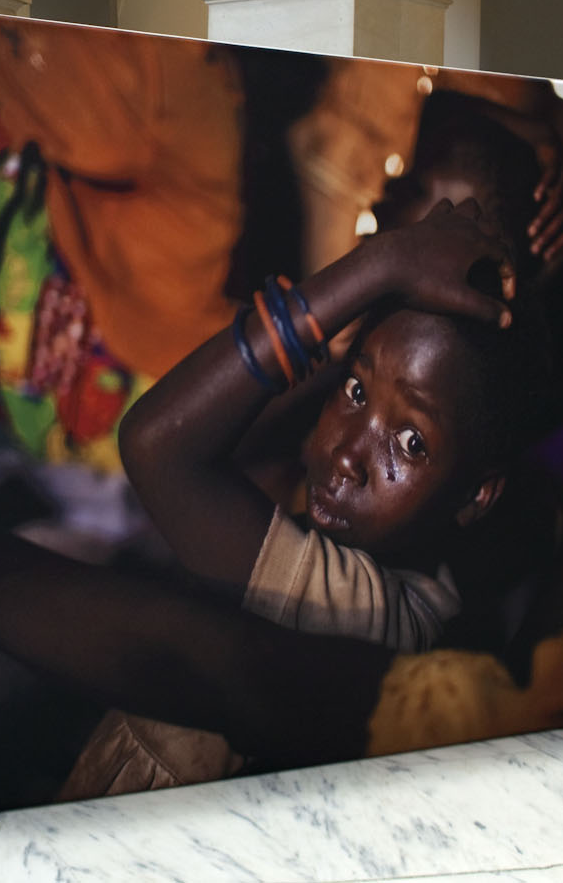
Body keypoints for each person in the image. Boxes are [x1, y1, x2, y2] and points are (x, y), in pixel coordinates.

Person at [118, 196, 536, 653]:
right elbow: (236, 445)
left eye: (411, 441)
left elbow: (154, 446)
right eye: (356, 391)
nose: (346, 455)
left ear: (477, 495)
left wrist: (383, 263)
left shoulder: (377, 621)